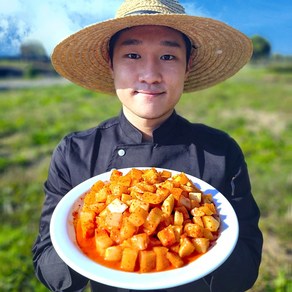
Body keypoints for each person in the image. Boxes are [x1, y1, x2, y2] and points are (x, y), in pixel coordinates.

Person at [32, 0, 263, 291]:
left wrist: (198, 245)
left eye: (168, 56)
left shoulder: (220, 151)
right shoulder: (75, 153)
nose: (150, 74)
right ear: (110, 63)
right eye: (132, 54)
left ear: (188, 66)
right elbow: (47, 264)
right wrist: (85, 246)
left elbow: (245, 267)